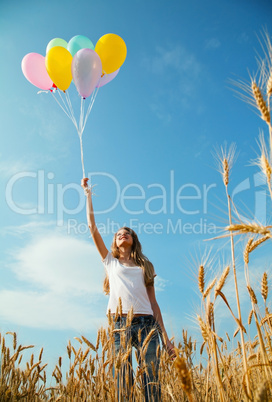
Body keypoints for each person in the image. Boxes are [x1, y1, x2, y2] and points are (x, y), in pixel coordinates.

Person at [81, 178, 175, 401]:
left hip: (147, 325)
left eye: (127, 232)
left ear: (133, 240)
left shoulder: (145, 266)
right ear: (115, 242)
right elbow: (92, 228)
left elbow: (153, 304)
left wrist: (166, 339)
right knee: (123, 383)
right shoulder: (110, 262)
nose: (122, 234)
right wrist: (88, 196)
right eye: (118, 233)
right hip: (119, 325)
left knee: (152, 383)